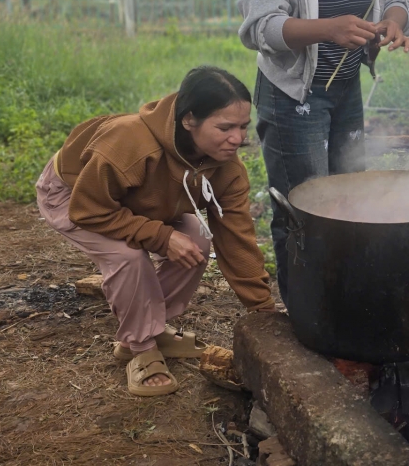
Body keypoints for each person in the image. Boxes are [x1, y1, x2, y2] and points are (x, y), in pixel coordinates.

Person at [238, 0, 409, 299]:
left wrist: (392, 25)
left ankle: (344, 295)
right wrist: (328, 30)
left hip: (346, 89)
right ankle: (306, 304)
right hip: (294, 94)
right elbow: (260, 26)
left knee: (349, 193)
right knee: (304, 203)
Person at [35, 67, 273, 398]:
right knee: (128, 257)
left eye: (243, 127)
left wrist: (263, 311)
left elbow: (236, 238)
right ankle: (140, 346)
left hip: (139, 202)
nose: (238, 138)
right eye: (225, 127)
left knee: (198, 242)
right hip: (76, 195)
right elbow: (88, 209)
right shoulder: (130, 144)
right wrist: (161, 237)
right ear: (189, 120)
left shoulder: (227, 169)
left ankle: (152, 328)